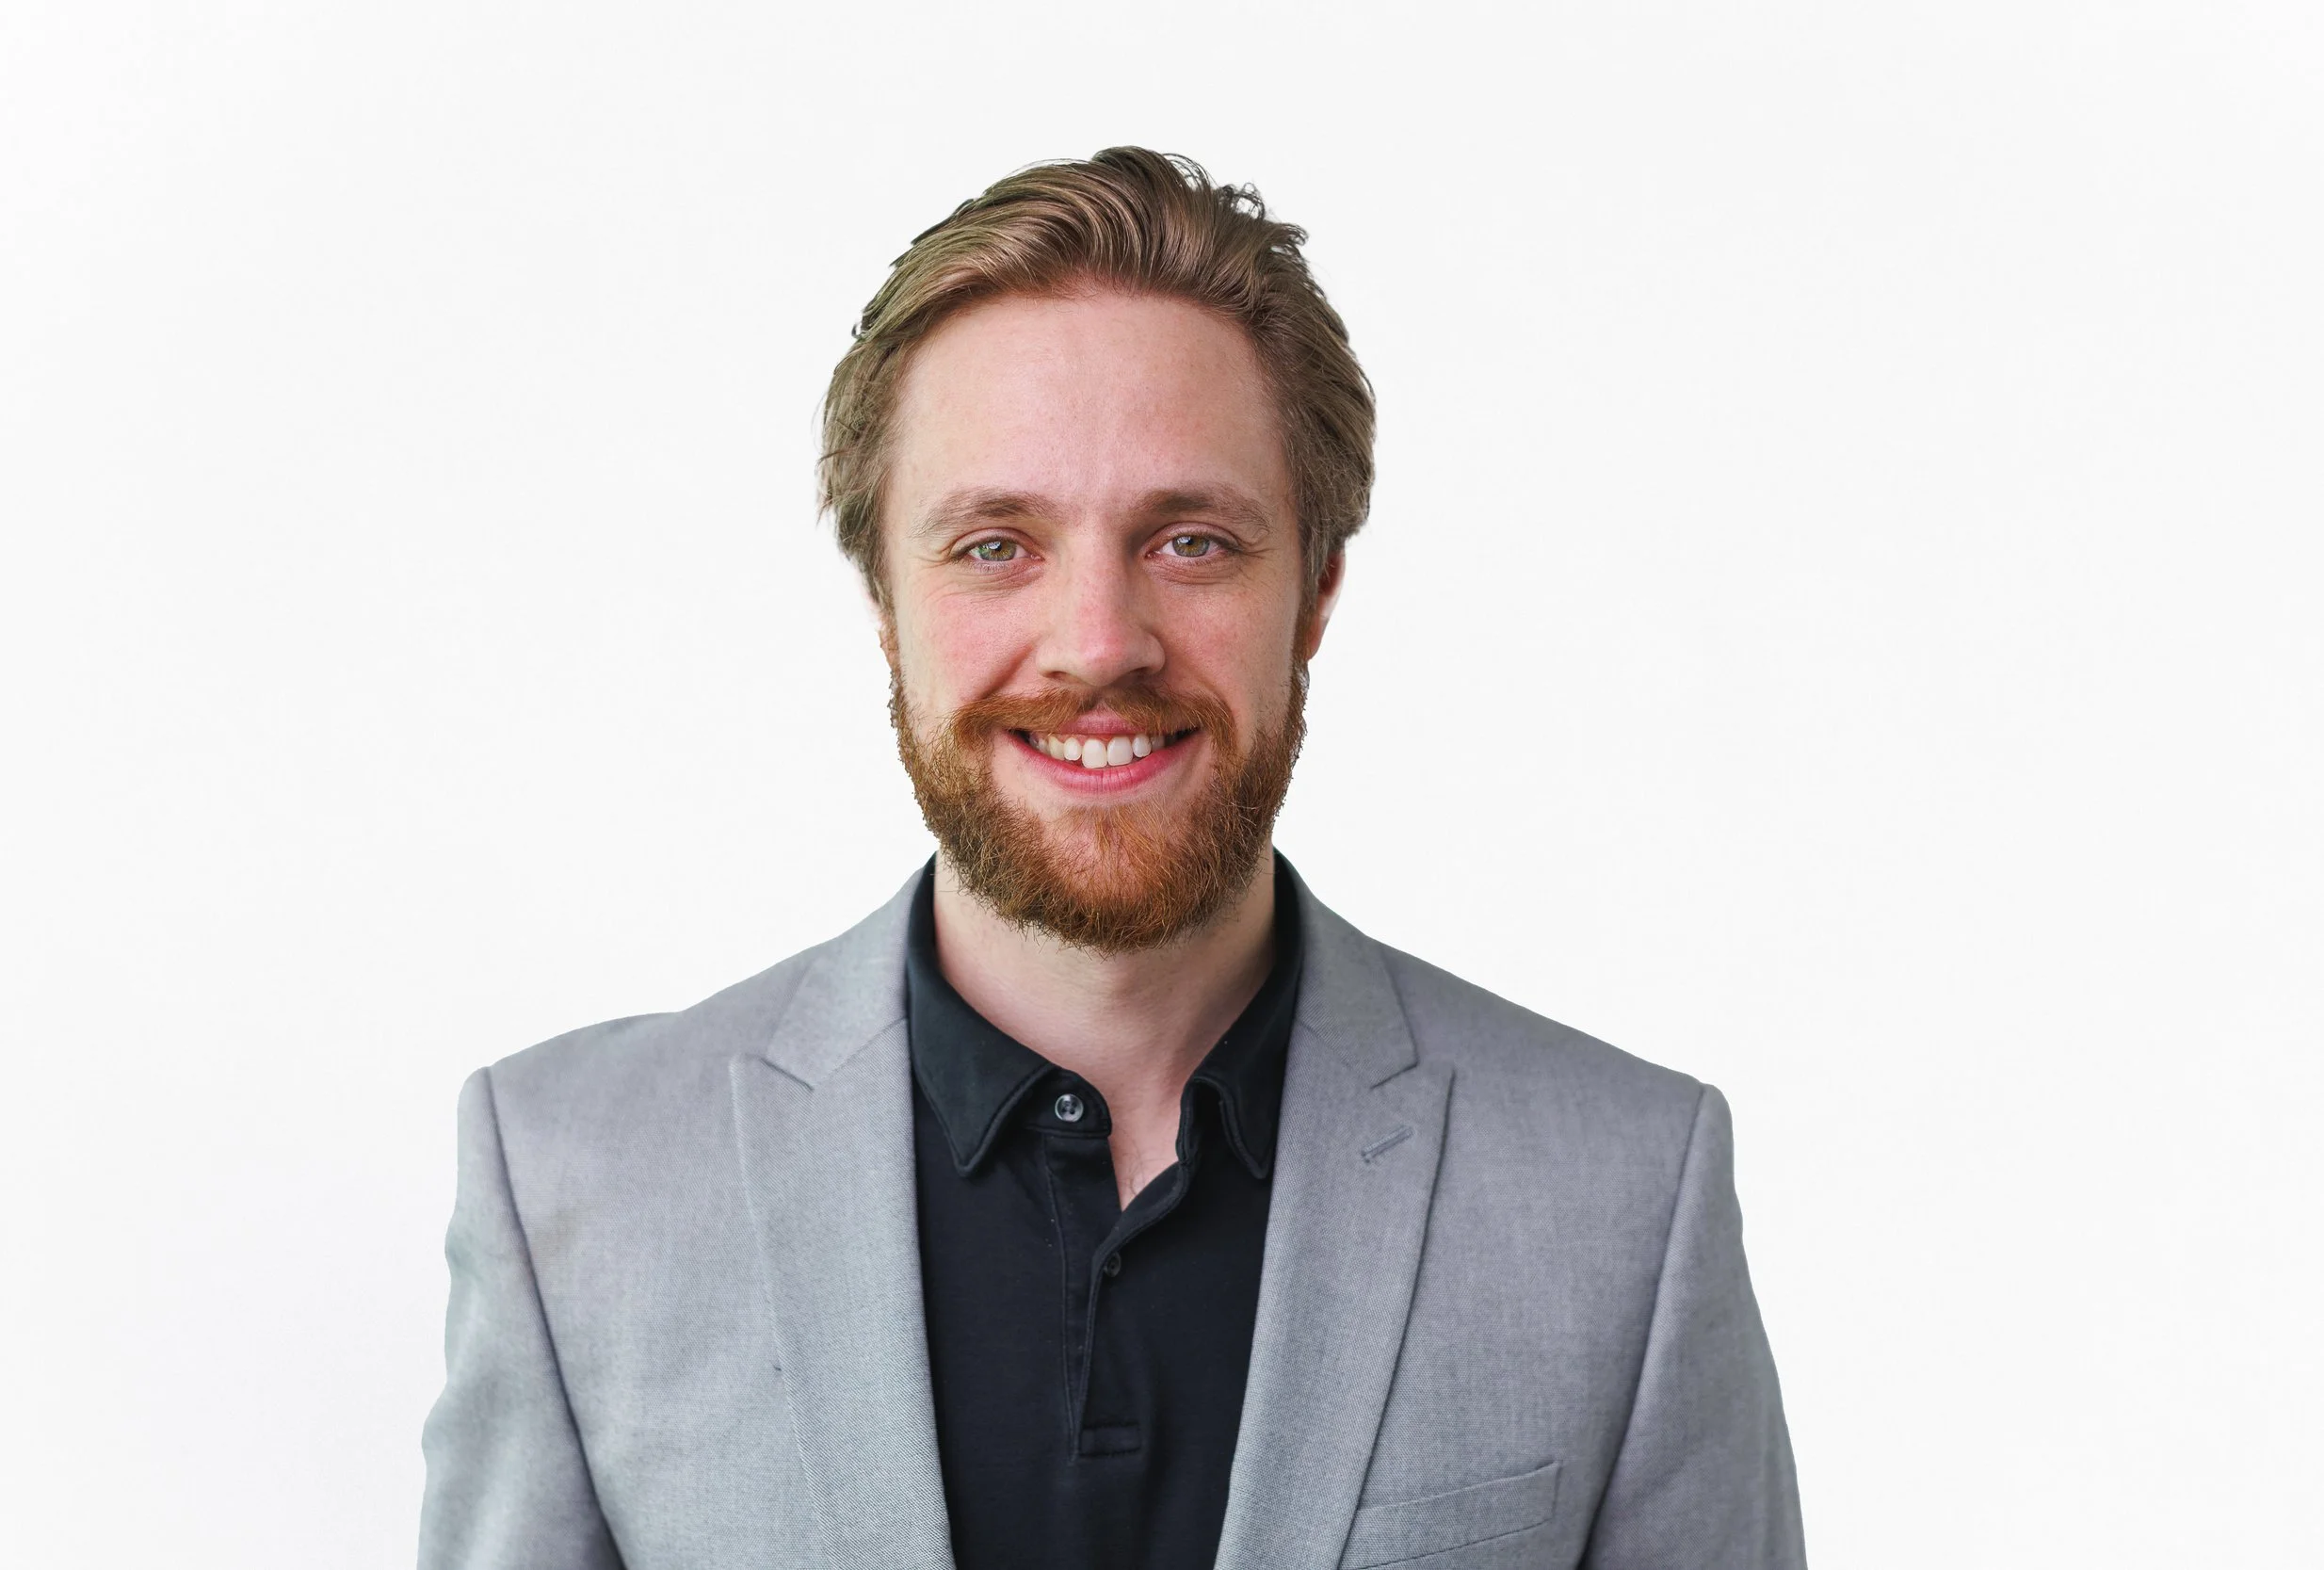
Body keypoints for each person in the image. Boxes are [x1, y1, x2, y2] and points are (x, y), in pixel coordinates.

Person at [418, 147, 1804, 1570]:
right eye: (995, 544)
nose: (1098, 641)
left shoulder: (1625, 1194)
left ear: (1315, 589)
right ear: (884, 602)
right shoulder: (579, 1182)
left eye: (1192, 541)